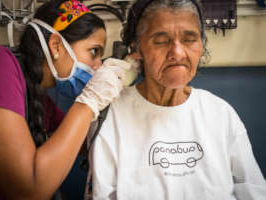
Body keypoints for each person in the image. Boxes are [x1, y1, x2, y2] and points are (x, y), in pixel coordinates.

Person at [88, 0, 266, 199]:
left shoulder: (220, 113)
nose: (178, 53)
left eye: (189, 39)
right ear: (136, 49)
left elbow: (253, 190)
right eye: (161, 41)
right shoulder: (111, 116)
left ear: (201, 45)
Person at [0, 0, 131, 199]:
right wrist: (88, 104)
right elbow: (29, 189)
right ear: (56, 46)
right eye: (94, 52)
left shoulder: (41, 100)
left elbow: (83, 144)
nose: (98, 66)